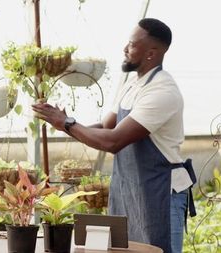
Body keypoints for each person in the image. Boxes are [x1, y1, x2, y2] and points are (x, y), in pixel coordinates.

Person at [32, 18, 195, 253]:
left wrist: (67, 124)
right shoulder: (131, 83)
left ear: (151, 53)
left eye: (131, 44)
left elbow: (114, 141)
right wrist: (66, 124)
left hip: (160, 195)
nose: (125, 48)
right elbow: (107, 127)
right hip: (129, 192)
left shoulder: (163, 91)